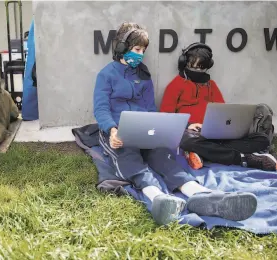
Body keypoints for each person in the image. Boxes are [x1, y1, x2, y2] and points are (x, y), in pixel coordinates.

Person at [93, 22, 258, 226]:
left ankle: (201, 194)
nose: (141, 55)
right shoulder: (106, 75)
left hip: (143, 127)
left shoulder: (144, 75)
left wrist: (157, 130)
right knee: (130, 158)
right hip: (117, 131)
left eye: (143, 51)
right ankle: (158, 198)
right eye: (137, 49)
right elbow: (100, 108)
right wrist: (112, 130)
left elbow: (150, 108)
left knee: (162, 154)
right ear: (121, 47)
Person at [160, 42, 277, 171]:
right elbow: (166, 118)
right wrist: (189, 125)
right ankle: (243, 158)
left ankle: (206, 153)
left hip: (216, 136)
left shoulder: (212, 85)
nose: (197, 70)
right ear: (184, 63)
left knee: (262, 140)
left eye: (201, 67)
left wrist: (227, 128)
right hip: (191, 135)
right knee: (187, 142)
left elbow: (223, 113)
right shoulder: (175, 85)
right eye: (193, 66)